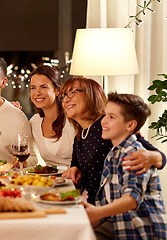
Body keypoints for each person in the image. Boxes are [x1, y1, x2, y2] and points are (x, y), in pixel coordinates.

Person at [61, 77, 166, 205]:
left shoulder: (108, 126)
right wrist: (75, 170)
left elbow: (159, 157)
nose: (66, 99)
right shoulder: (80, 136)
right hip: (94, 205)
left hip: (114, 210)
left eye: (72, 92)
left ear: (92, 94)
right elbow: (76, 167)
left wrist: (153, 157)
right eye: (64, 95)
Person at [83, 92, 166, 239]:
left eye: (111, 117)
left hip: (139, 229)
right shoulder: (114, 153)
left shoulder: (134, 154)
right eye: (105, 115)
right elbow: (110, 199)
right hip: (116, 222)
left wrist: (97, 212)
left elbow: (132, 198)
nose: (103, 121)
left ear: (130, 125)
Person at [28, 65, 76, 167]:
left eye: (43, 87)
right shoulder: (35, 122)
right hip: (50, 180)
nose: (37, 93)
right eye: (33, 88)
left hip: (76, 180)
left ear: (57, 90)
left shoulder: (72, 118)